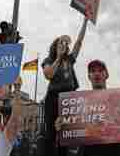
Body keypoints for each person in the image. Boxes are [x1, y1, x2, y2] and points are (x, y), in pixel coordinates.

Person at [55, 59, 120, 156]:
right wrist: (61, 128)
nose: (96, 74)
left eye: (100, 71)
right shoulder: (79, 104)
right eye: (93, 71)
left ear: (106, 75)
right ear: (89, 77)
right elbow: (70, 138)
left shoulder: (118, 99)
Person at [42, 17, 88, 156]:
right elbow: (48, 75)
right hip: (53, 98)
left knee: (65, 132)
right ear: (55, 47)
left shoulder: (70, 60)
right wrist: (58, 58)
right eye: (59, 44)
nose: (62, 45)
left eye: (64, 44)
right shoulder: (48, 60)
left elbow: (79, 43)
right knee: (51, 132)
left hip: (68, 99)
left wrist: (85, 22)